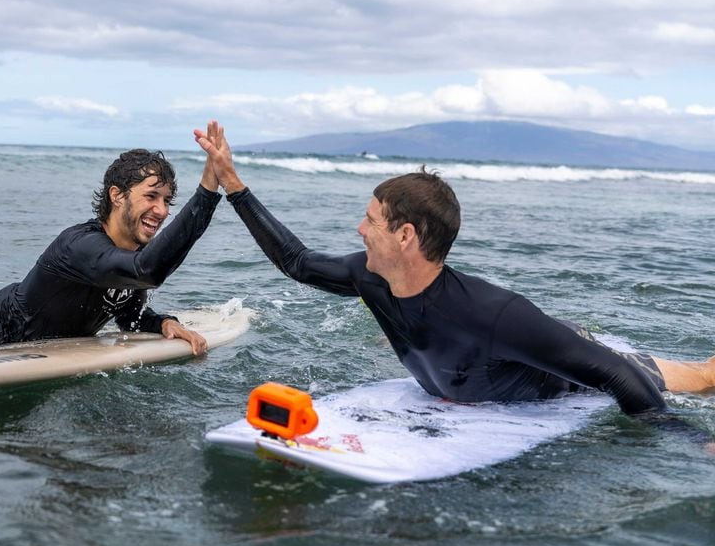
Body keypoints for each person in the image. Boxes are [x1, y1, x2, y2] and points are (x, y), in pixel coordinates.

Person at [194, 122, 715, 414]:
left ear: (405, 235)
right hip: (496, 369)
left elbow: (621, 379)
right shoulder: (370, 278)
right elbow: (297, 262)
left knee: (698, 376)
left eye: (370, 219)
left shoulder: (491, 312)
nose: (359, 229)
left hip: (571, 375)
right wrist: (234, 185)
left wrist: (685, 444)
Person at [0, 147, 221, 355]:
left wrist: (164, 323)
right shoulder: (81, 246)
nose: (161, 210)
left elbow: (129, 317)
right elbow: (147, 271)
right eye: (151, 196)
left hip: (27, 348)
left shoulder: (130, 257)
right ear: (117, 195)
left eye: (167, 201)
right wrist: (207, 191)